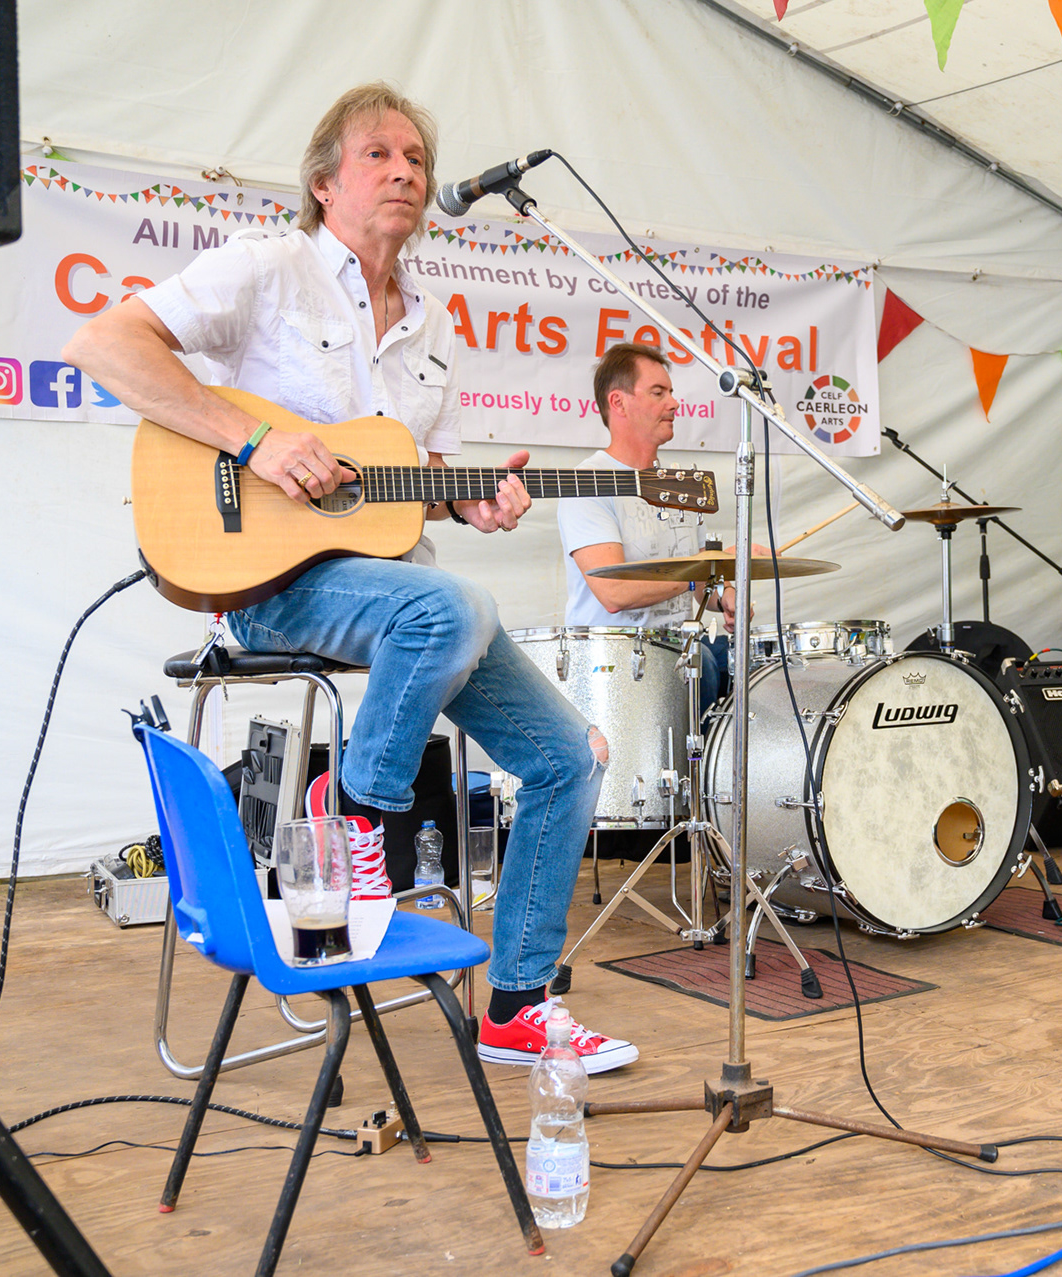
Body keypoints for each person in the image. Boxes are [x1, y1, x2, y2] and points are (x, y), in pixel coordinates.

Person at [64, 83, 637, 1074]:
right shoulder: (271, 268)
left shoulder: (432, 326)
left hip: (405, 602)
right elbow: (102, 344)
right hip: (278, 586)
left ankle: (515, 1003)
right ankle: (356, 814)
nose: (408, 171)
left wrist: (480, 502)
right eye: (381, 154)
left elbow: (436, 487)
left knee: (567, 757)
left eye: (417, 156)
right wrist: (254, 438)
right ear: (326, 182)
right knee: (453, 604)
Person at [560, 342, 738, 710]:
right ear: (618, 402)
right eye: (659, 393)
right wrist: (702, 571)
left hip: (675, 657)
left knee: (735, 665)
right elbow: (614, 593)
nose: (674, 404)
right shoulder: (588, 481)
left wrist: (724, 594)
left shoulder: (680, 485)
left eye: (671, 393)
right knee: (705, 662)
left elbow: (698, 577)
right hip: (611, 669)